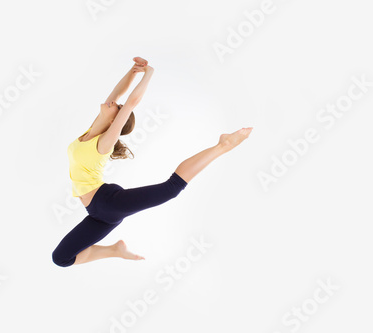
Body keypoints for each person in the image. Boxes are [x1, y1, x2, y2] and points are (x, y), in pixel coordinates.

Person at [52, 57, 253, 267]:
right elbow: (118, 94)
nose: (114, 102)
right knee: (61, 258)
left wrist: (149, 73)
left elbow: (130, 102)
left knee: (171, 189)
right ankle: (115, 250)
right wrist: (133, 71)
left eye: (117, 107)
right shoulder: (92, 131)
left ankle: (223, 145)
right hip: (97, 212)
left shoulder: (104, 143)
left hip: (107, 204)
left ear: (114, 121)